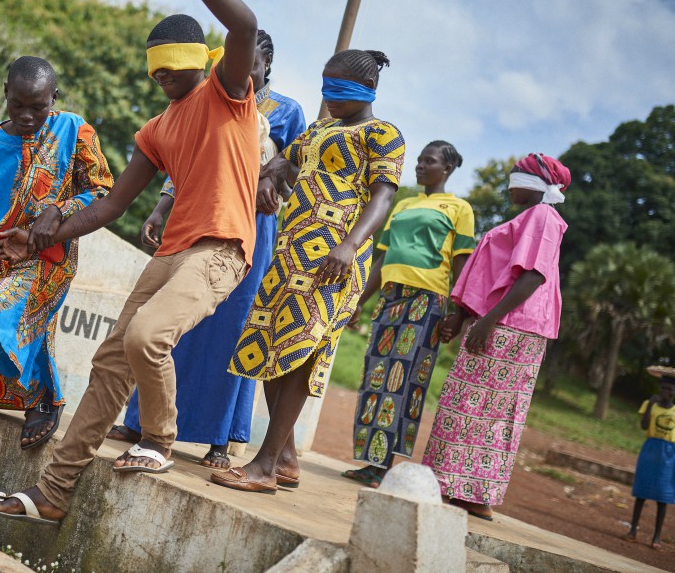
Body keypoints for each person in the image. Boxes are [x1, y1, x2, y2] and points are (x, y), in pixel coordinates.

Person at [0, 0, 259, 525]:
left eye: (170, 68)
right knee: (111, 364)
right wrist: (40, 235)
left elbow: (243, 23)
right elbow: (108, 208)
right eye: (155, 72)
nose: (161, 80)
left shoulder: (227, 94)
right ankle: (53, 493)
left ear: (193, 60)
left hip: (220, 250)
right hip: (172, 252)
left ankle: (159, 441)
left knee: (144, 339)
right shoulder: (157, 128)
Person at [0, 57, 114, 523]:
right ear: (5, 93)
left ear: (55, 98)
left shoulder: (75, 131)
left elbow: (105, 190)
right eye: (18, 104)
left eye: (38, 106)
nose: (28, 115)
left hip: (45, 262)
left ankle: (42, 394)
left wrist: (58, 209)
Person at [109, 29, 306, 469]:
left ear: (266, 64)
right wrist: (161, 208)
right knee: (165, 325)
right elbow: (188, 157)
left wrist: (274, 181)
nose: (242, 72)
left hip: (248, 224)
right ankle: (140, 421)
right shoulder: (210, 94)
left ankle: (220, 438)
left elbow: (299, 163)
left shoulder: (288, 111)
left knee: (231, 330)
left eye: (252, 65)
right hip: (196, 213)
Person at [213, 49, 406, 493]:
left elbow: (383, 197)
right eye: (325, 87)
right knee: (268, 346)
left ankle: (263, 467)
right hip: (288, 254)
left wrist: (350, 245)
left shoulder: (383, 134)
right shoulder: (319, 129)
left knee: (301, 349)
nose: (329, 97)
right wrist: (267, 179)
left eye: (341, 89)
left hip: (333, 261)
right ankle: (286, 460)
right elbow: (282, 162)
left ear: (370, 90)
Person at [421, 153, 571, 521]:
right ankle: (462, 489)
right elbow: (493, 274)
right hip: (500, 322)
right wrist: (465, 316)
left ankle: (470, 490)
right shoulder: (525, 219)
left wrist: (488, 322)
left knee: (490, 410)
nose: (510, 182)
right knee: (474, 406)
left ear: (534, 183)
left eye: (516, 176)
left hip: (513, 326)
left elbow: (533, 276)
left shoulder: (544, 217)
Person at [343, 141, 475, 488]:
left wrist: (459, 313)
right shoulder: (403, 204)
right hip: (390, 299)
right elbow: (382, 259)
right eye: (419, 160)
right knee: (375, 376)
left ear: (446, 169)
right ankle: (370, 461)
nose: (420, 166)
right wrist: (358, 299)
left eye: (428, 161)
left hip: (426, 301)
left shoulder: (459, 208)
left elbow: (462, 263)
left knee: (403, 381)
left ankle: (384, 465)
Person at [624, 367, 675, 550]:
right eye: (663, 389)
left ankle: (657, 536)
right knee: (642, 492)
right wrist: (650, 406)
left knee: (662, 497)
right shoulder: (649, 404)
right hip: (650, 449)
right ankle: (632, 530)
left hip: (668, 454)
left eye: (670, 390)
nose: (665, 393)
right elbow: (644, 425)